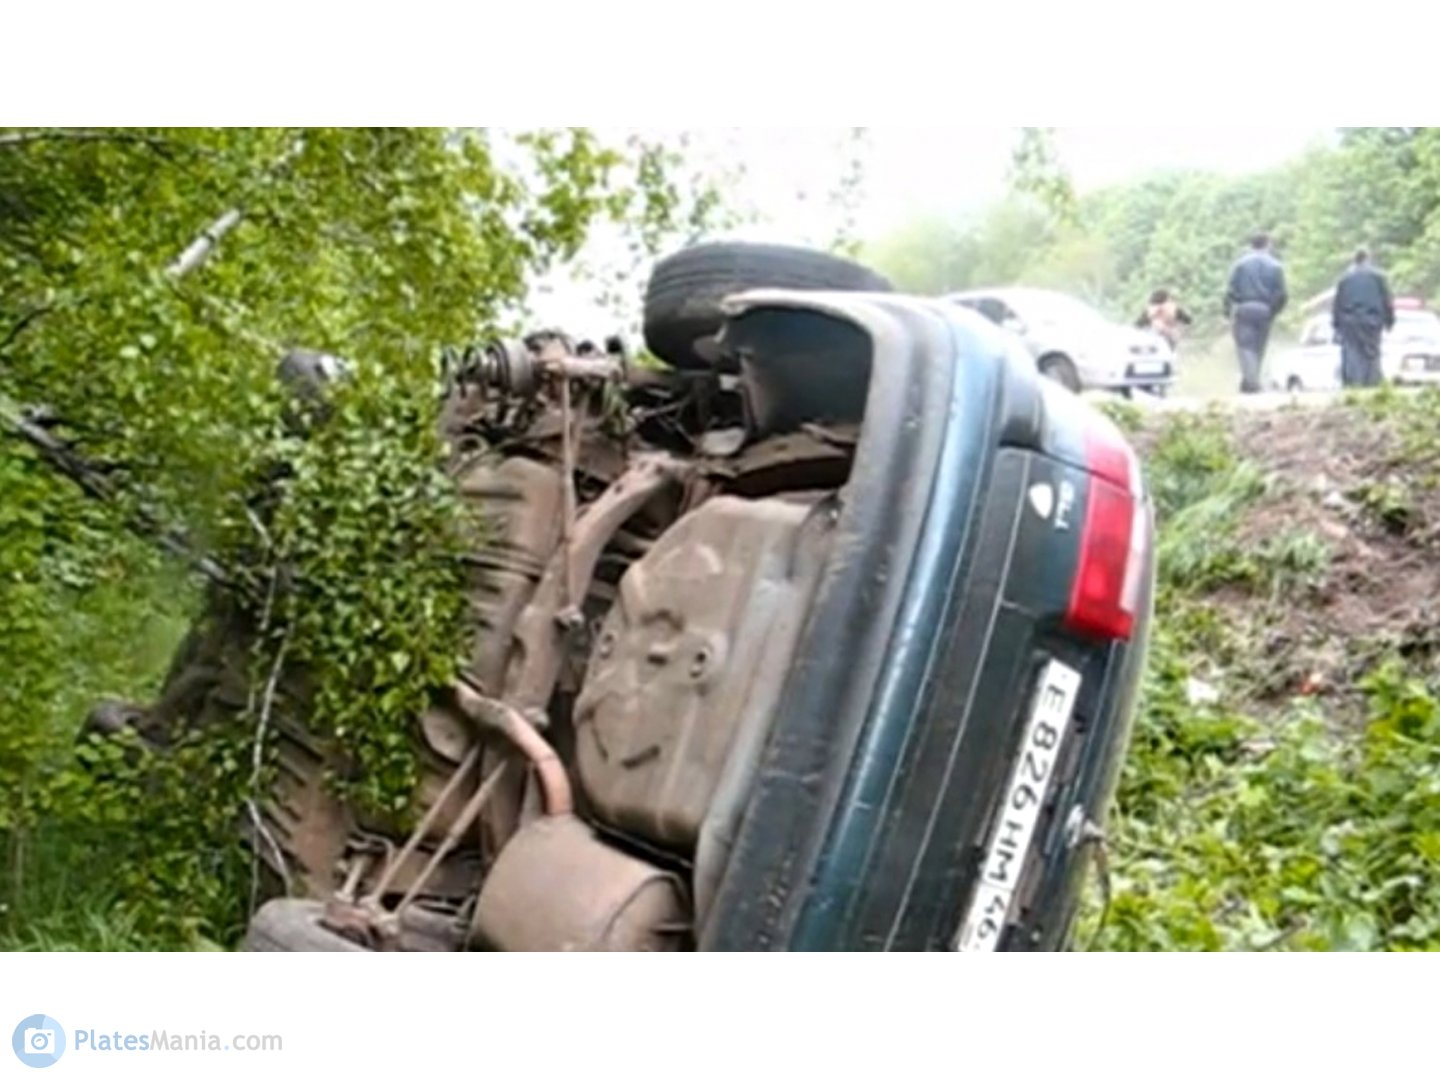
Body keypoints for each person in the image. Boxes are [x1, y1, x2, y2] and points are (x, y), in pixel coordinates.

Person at [1223, 233, 1288, 393]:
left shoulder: (1240, 265)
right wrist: (1274, 310)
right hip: (1265, 309)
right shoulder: (1276, 266)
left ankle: (1251, 382)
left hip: (1244, 308)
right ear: (1267, 244)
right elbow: (1282, 293)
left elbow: (1230, 291)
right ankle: (1250, 381)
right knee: (1259, 347)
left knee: (1245, 347)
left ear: (1251, 245)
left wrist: (1226, 311)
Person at [1332, 248, 1395, 388]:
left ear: (1355, 260)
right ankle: (1371, 383)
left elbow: (1338, 303)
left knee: (1351, 352)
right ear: (1368, 259)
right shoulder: (1379, 278)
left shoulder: (1344, 279)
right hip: (1371, 320)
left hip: (1349, 321)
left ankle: (1353, 383)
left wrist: (1336, 325)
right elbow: (1387, 301)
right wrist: (1389, 321)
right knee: (1371, 352)